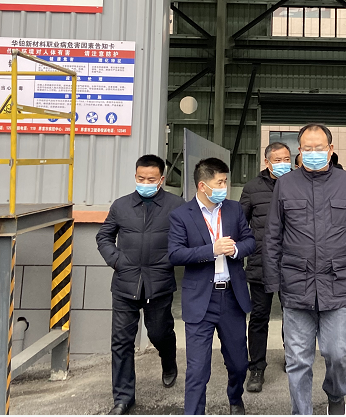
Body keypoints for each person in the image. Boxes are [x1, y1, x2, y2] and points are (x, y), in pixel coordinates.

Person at [264, 123, 346, 416]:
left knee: (338, 353)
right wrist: (272, 280)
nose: (313, 153)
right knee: (298, 359)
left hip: (337, 282)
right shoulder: (286, 184)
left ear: (330, 149)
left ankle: (336, 394)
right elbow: (273, 235)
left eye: (319, 147)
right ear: (300, 151)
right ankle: (302, 412)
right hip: (296, 284)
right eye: (307, 148)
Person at [97, 155, 185, 416]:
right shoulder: (121, 205)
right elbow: (104, 236)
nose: (145, 183)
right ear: (135, 176)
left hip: (159, 283)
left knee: (159, 333)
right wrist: (116, 260)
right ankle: (123, 398)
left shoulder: (176, 206)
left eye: (151, 179)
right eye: (140, 178)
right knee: (121, 342)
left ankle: (168, 360)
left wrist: (169, 260)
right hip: (125, 283)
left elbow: (187, 238)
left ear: (161, 179)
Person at [168, 158, 257, 415]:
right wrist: (212, 250)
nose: (224, 188)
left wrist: (236, 250)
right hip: (200, 301)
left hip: (231, 297)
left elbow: (250, 240)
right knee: (197, 369)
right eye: (219, 183)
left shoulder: (233, 209)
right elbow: (175, 254)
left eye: (225, 182)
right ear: (202, 186)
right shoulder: (181, 215)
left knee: (239, 363)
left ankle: (235, 398)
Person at [239, 142, 291, 393]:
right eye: (278, 160)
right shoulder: (252, 188)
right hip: (261, 263)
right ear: (267, 161)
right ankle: (257, 367)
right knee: (259, 317)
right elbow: (240, 225)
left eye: (287, 159)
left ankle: (292, 358)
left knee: (293, 316)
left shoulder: (298, 183)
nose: (283, 164)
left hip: (293, 264)